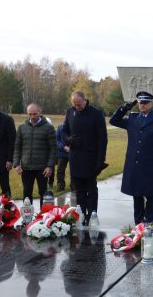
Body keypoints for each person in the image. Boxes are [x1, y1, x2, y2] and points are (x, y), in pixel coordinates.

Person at [110, 91, 153, 224]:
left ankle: (150, 224)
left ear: (151, 104)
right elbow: (114, 120)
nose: (143, 105)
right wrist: (125, 108)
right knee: (137, 196)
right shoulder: (133, 118)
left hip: (149, 164)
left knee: (150, 196)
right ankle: (138, 224)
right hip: (134, 164)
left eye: (146, 103)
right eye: (141, 103)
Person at [62, 90, 108, 224]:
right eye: (74, 104)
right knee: (79, 189)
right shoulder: (70, 112)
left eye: (79, 104)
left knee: (91, 188)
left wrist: (100, 160)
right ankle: (81, 213)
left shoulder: (96, 114)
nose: (77, 107)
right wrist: (69, 139)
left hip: (91, 158)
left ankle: (92, 214)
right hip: (75, 157)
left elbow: (102, 139)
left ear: (85, 100)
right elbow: (64, 131)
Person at [13, 103, 56, 207]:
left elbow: (53, 149)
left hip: (42, 168)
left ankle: (44, 218)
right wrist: (16, 164)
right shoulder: (22, 128)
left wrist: (50, 166)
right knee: (27, 193)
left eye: (34, 114)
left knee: (43, 194)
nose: (32, 117)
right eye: (29, 114)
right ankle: (27, 218)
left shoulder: (49, 128)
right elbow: (17, 147)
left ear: (40, 112)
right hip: (26, 167)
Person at [56, 124, 74, 191]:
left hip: (73, 152)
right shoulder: (60, 127)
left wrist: (71, 148)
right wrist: (63, 147)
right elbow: (57, 140)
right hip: (62, 153)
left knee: (74, 170)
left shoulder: (75, 126)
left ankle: (74, 185)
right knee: (60, 170)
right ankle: (60, 185)